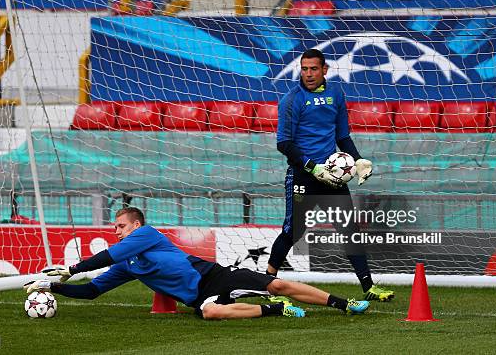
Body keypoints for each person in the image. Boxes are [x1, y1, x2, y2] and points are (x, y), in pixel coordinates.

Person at [24, 207, 370, 319]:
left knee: (278, 283)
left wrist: (70, 268)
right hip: (199, 298)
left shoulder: (146, 236)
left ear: (136, 226)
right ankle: (274, 311)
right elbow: (92, 292)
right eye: (115, 228)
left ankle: (344, 303)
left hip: (214, 276)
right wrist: (51, 286)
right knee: (209, 313)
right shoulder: (127, 265)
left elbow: (107, 256)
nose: (116, 232)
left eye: (121, 226)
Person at [267, 49, 394, 302]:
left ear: (325, 70)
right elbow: (284, 144)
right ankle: (267, 284)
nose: (308, 74)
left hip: (334, 176)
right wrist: (313, 167)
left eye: (314, 69)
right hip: (304, 176)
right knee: (293, 231)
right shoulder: (291, 100)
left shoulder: (336, 93)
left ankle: (368, 286)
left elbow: (342, 136)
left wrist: (358, 161)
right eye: (304, 69)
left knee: (349, 229)